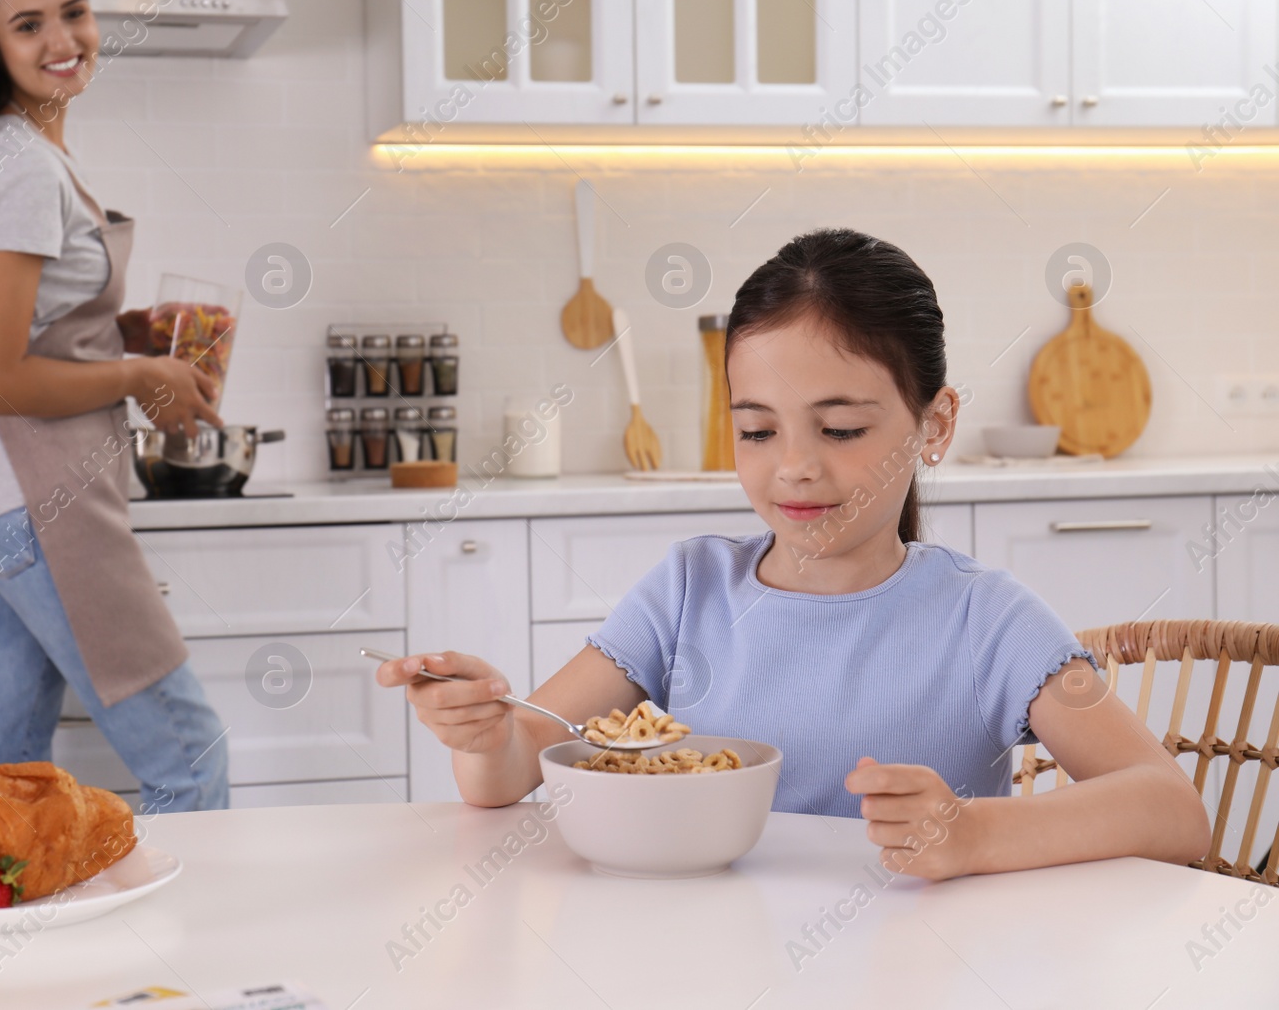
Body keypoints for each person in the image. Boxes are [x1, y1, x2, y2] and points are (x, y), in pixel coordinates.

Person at [377, 228, 1210, 879]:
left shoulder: (987, 619)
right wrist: (484, 735)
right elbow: (518, 764)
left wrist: (972, 831)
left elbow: (1173, 812)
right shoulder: (688, 590)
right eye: (757, 429)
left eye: (841, 429)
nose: (794, 466)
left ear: (935, 424)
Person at [0, 0, 228, 812]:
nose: (63, 37)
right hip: (41, 498)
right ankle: (188, 955)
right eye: (28, 23)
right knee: (189, 759)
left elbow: (20, 341)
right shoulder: (22, 171)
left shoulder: (12, 156)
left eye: (75, 12)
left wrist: (120, 339)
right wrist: (134, 371)